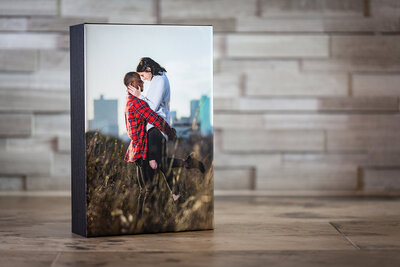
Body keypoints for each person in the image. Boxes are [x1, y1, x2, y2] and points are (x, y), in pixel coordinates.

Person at [123, 72, 176, 195]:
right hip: (143, 151)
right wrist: (170, 132)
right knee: (151, 191)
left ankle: (141, 214)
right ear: (131, 84)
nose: (142, 82)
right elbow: (155, 119)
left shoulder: (129, 101)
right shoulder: (137, 103)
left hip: (137, 151)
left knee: (145, 191)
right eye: (138, 80)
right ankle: (149, 214)